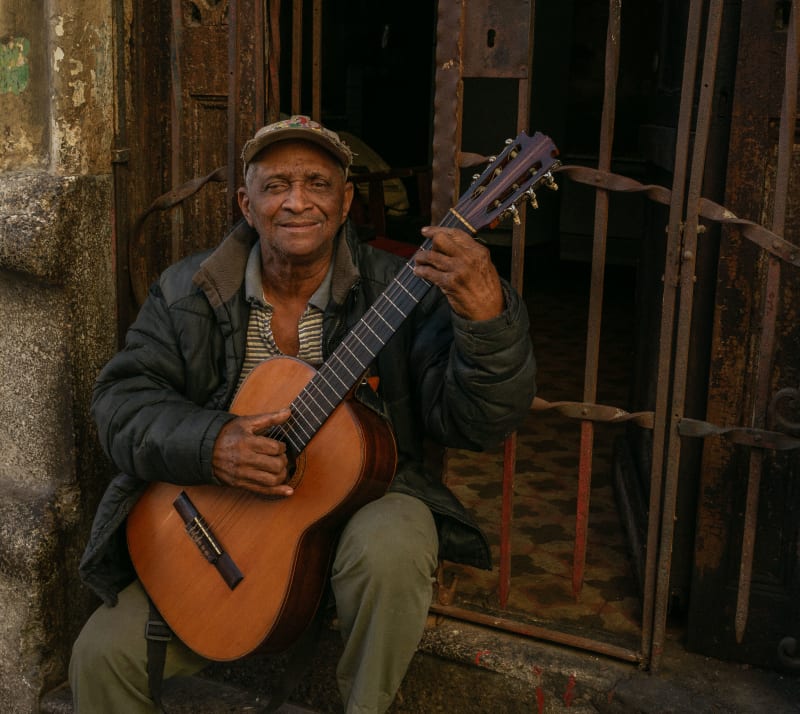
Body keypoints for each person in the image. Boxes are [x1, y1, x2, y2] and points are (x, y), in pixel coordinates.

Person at [69, 115, 537, 713]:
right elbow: (120, 404)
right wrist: (213, 443)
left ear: (345, 203)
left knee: (393, 542)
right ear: (247, 202)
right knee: (99, 657)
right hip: (223, 529)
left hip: (360, 514)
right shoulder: (188, 288)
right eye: (275, 185)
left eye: (317, 184)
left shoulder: (403, 290)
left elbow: (481, 422)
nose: (297, 202)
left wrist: (486, 319)